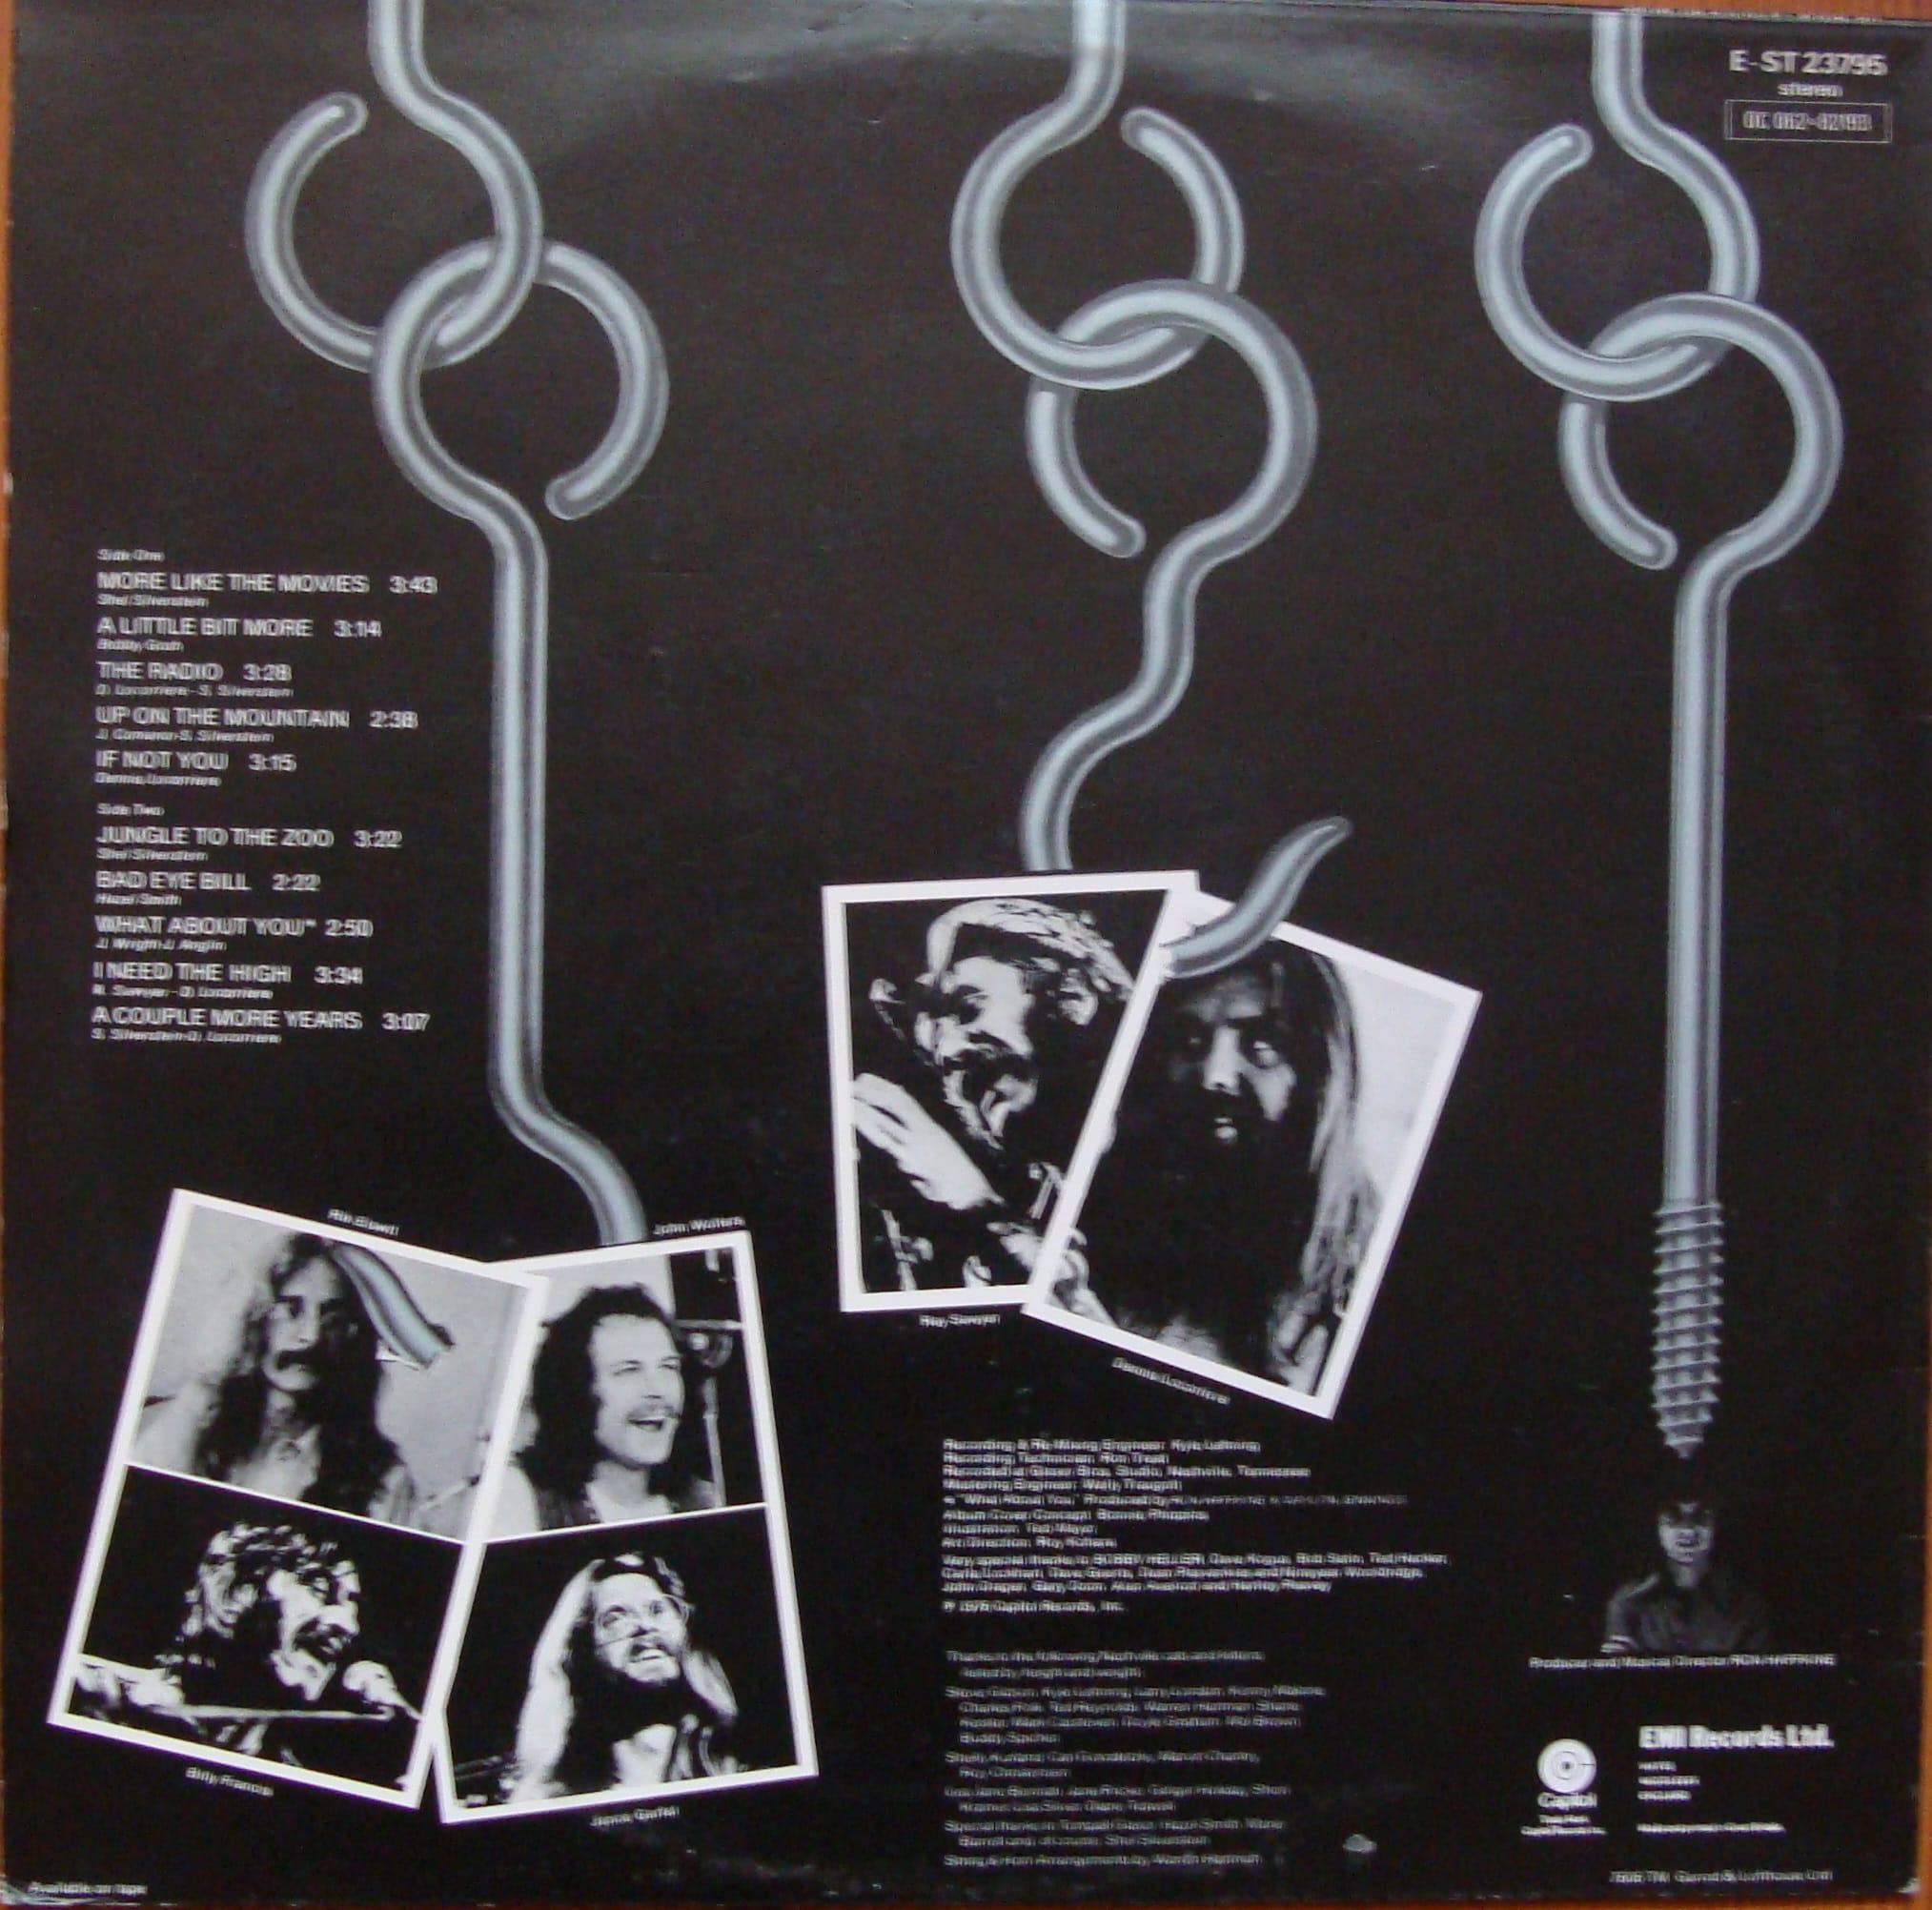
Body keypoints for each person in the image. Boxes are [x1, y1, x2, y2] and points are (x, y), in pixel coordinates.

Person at [1052, 939, 1377, 1389]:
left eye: (1261, 1044)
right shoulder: (1094, 1211)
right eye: (1190, 1041)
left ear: (1318, 1074)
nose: (1213, 1076)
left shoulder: (1361, 1263)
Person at [853, 898, 1136, 1290]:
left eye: (969, 1008)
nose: (946, 1050)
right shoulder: (901, 1181)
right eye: (936, 1023)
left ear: (1068, 1012)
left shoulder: (1131, 1203)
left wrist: (980, 1207)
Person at [135, 1234, 449, 1524]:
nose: (311, 1336)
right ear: (255, 1318)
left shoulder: (386, 1481)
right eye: (291, 1309)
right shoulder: (191, 1424)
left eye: (333, 1319)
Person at [71, 1521, 415, 1770]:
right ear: (241, 1593)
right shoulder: (103, 1707)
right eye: (320, 1590)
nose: (349, 1625)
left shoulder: (285, 1770)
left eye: (351, 1604)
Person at [504, 1553, 739, 1801]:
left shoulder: (733, 1766)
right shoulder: (560, 1796)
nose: (645, 1626)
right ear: (585, 1653)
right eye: (616, 1618)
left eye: (657, 1609)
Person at [493, 1286, 717, 1535]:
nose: (657, 1390)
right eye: (629, 1370)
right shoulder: (516, 1498)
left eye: (668, 1367)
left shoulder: (706, 1499)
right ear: (576, 1390)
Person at [1603, 1493, 1772, 1655]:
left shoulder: (1747, 1606)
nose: (1688, 1531)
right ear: (1656, 1526)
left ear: (1717, 1525)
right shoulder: (1628, 1603)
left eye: (1701, 1518)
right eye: (1673, 1517)